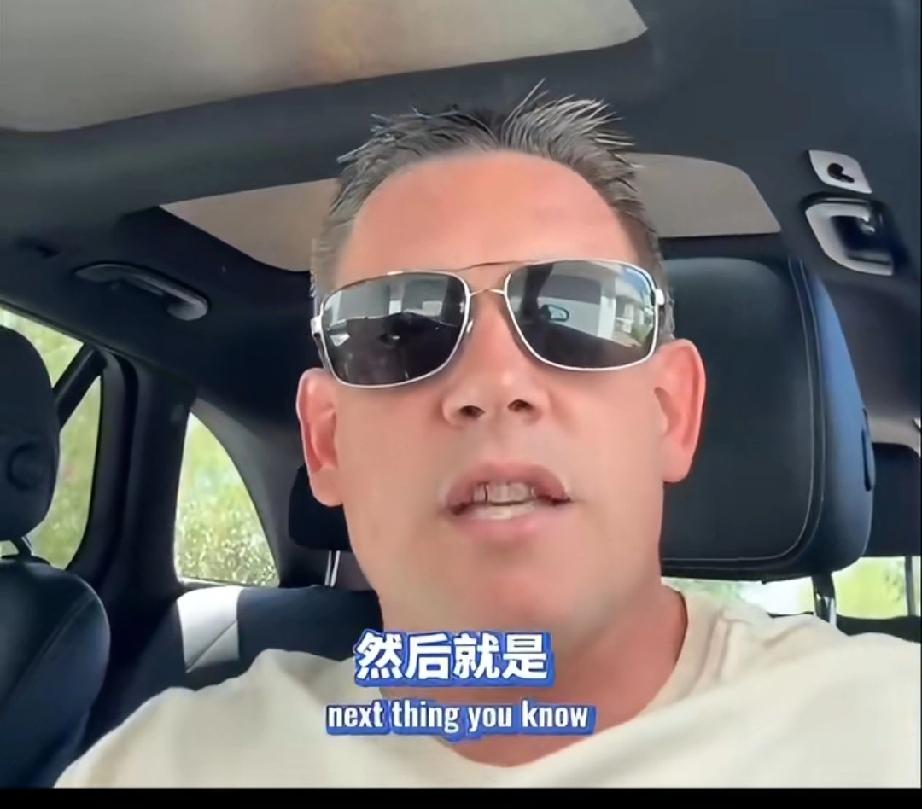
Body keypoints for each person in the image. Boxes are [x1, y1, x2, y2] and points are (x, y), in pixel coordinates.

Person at [57, 87, 920, 788]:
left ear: (671, 412)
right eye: (398, 328)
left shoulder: (887, 730)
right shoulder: (171, 762)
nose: (494, 383)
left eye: (578, 311)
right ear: (327, 443)